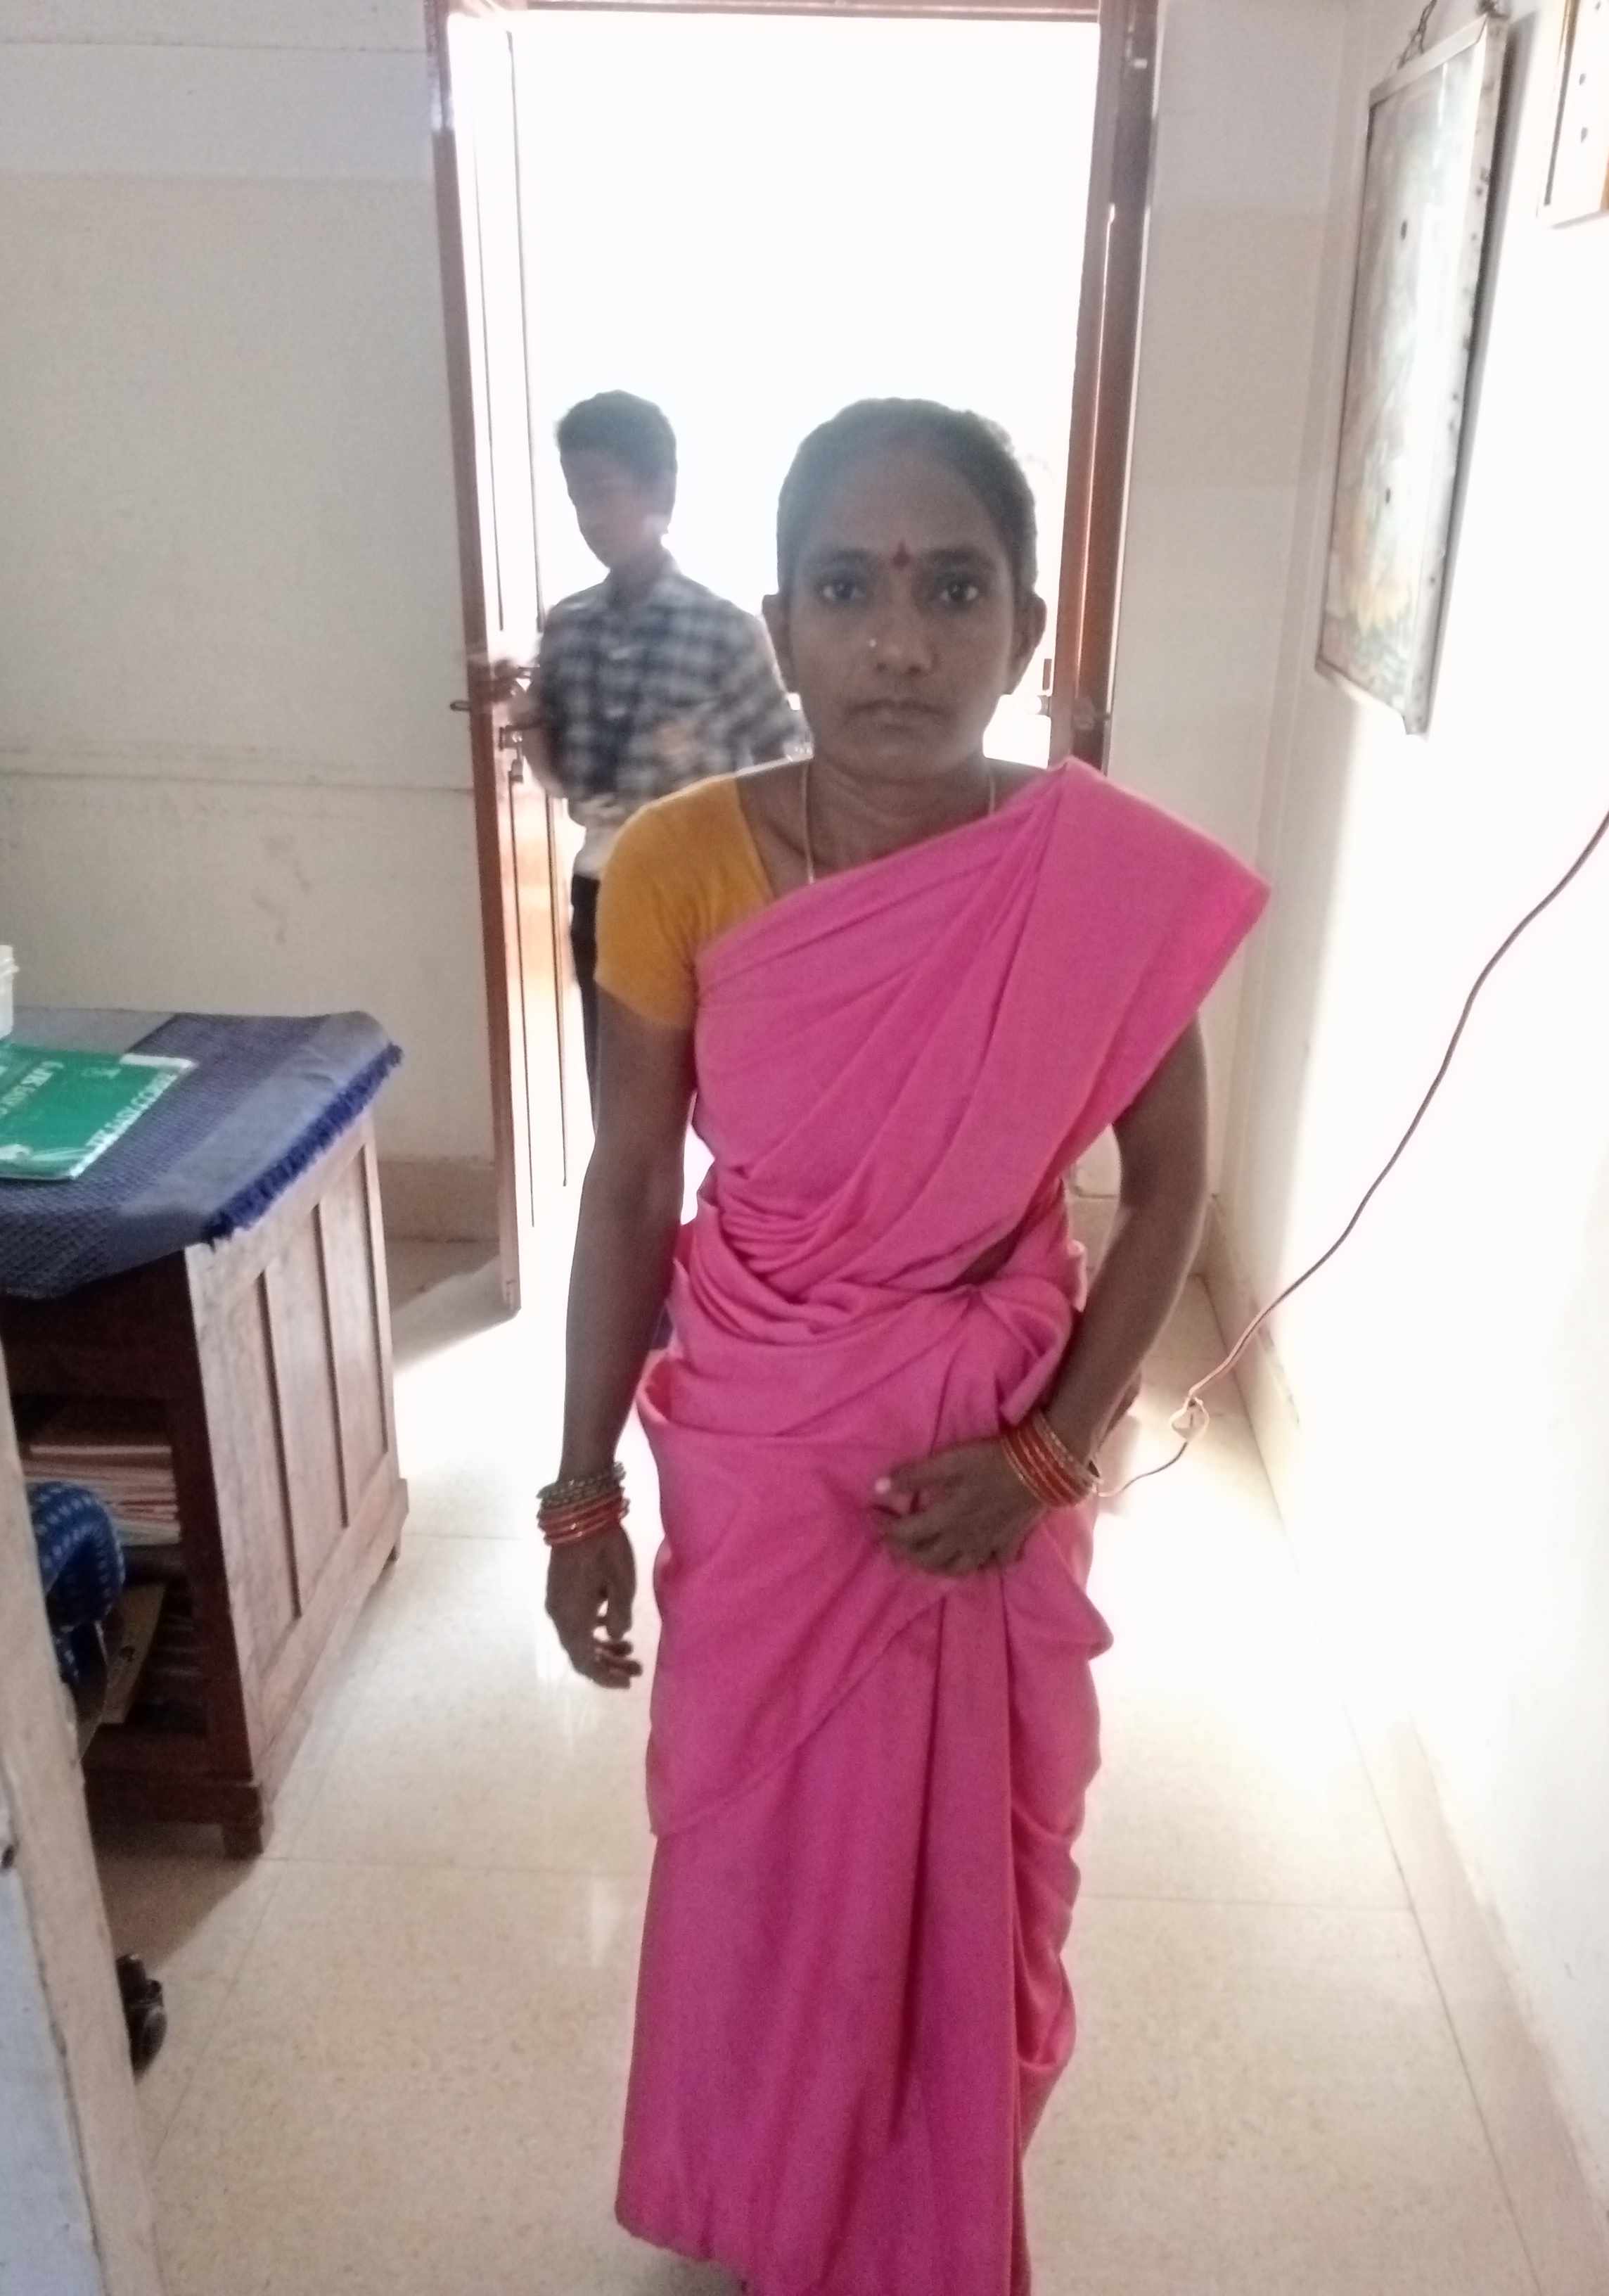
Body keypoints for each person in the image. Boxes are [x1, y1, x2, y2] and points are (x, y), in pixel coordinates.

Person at [535, 399, 1267, 2294]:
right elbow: (629, 1188)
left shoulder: (1095, 877)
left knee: (976, 1853)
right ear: (780, 626)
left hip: (990, 1436)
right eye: (847, 590)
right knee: (749, 1843)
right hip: (762, 1443)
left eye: (951, 590)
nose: (897, 640)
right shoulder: (679, 862)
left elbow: (1170, 1186)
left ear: (1022, 629)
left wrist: (1047, 1453)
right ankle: (761, 2185)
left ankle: (920, 2180)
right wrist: (577, 1488)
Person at [509, 390, 803, 1095]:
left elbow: (786, 760)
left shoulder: (722, 629)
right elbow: (563, 780)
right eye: (576, 497)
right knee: (617, 1097)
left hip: (706, 897)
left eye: (603, 493)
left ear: (660, 491)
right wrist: (529, 725)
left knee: (729, 1094)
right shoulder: (569, 626)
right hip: (603, 889)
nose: (589, 518)